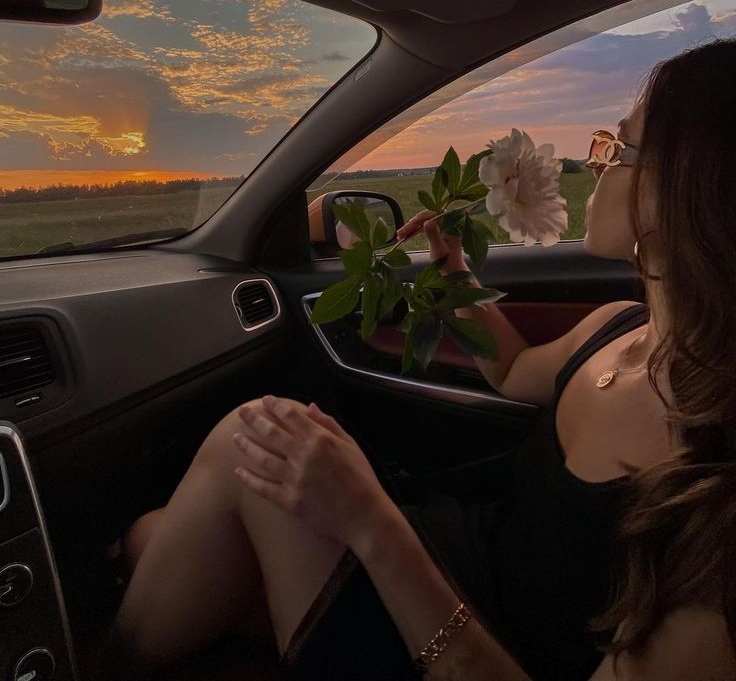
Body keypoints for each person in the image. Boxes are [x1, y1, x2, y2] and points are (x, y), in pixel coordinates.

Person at [98, 40, 736, 680]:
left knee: (247, 444)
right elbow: (511, 370)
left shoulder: (717, 500)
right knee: (153, 536)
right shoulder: (615, 330)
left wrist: (366, 516)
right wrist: (453, 274)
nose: (597, 162)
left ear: (690, 187)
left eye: (618, 149)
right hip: (455, 557)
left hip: (463, 639)